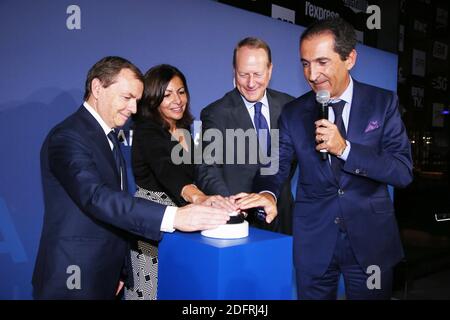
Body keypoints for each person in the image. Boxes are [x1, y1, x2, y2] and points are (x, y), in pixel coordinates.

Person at [236, 18, 413, 299]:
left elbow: (402, 172)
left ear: (350, 58)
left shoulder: (383, 102)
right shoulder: (294, 113)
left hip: (371, 244)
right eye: (305, 63)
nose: (312, 74)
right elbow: (275, 165)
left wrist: (345, 149)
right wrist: (268, 193)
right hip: (314, 242)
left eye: (322, 62)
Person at [32, 56, 230, 300]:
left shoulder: (109, 136)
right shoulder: (68, 136)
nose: (134, 109)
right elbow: (97, 197)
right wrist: (176, 215)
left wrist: (121, 271)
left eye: (137, 100)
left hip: (106, 273)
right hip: (74, 276)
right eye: (127, 98)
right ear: (97, 88)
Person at [125, 64, 236, 300]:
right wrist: (198, 197)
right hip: (150, 223)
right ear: (153, 99)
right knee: (148, 290)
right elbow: (166, 169)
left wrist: (222, 200)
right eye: (167, 95)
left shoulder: (185, 128)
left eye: (181, 92)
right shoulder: (147, 130)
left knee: (179, 287)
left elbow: (201, 170)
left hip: (184, 220)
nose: (177, 100)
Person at [197, 37, 295, 234]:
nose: (251, 83)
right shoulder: (216, 113)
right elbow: (208, 168)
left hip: (282, 218)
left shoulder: (290, 107)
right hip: (238, 221)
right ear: (234, 71)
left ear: (270, 71)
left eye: (257, 74)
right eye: (243, 74)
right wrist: (230, 205)